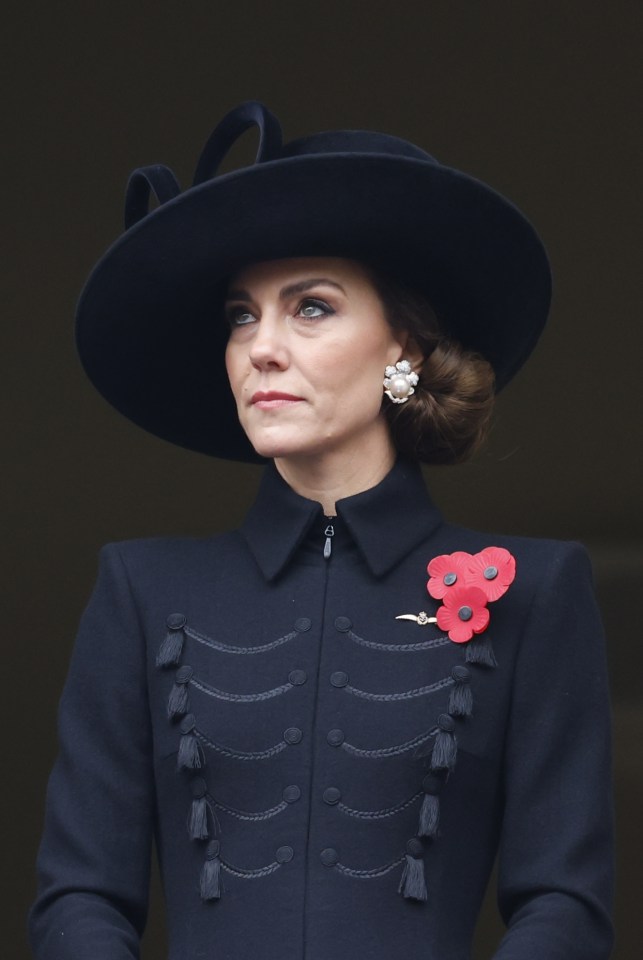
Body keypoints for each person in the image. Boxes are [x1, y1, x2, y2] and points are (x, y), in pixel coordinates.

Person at [29, 101, 614, 960]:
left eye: (310, 308)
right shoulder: (140, 590)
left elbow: (565, 902)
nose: (260, 347)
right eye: (239, 314)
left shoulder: (537, 587)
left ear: (400, 348)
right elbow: (79, 897)